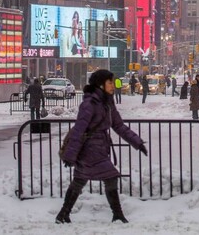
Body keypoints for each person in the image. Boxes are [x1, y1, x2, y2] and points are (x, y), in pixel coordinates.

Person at [56, 69, 148, 224]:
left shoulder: (107, 102)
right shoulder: (89, 104)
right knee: (110, 177)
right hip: (90, 150)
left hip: (99, 148)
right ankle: (117, 214)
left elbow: (119, 126)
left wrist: (137, 142)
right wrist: (70, 155)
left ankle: (63, 214)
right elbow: (79, 129)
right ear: (100, 84)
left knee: (79, 180)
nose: (113, 85)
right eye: (110, 82)